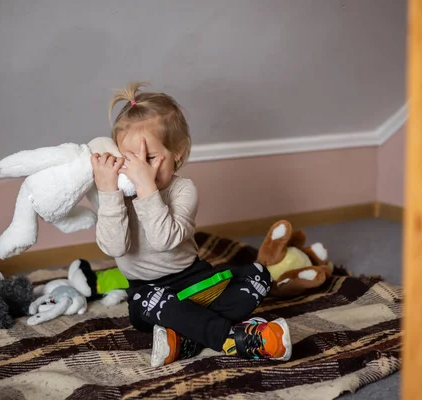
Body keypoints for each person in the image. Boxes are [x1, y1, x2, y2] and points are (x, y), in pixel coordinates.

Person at [91, 82, 292, 367]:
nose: (139, 170)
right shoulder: (117, 195)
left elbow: (164, 240)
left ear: (178, 153)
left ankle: (185, 339)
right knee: (152, 303)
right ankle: (230, 339)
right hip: (148, 293)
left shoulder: (185, 190)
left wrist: (147, 187)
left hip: (193, 279)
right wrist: (108, 194)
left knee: (259, 276)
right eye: (130, 159)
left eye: (150, 158)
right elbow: (113, 246)